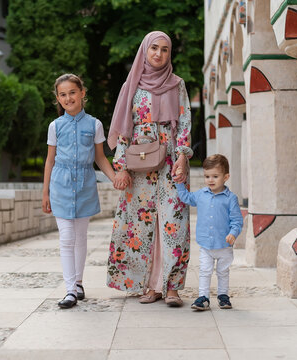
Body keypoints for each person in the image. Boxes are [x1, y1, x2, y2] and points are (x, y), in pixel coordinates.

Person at [106, 31, 193, 307]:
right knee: (140, 224)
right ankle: (150, 285)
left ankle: (172, 287)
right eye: (154, 48)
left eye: (165, 50)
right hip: (138, 163)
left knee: (174, 222)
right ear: (145, 50)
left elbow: (185, 121)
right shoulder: (131, 85)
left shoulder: (177, 84)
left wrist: (182, 157)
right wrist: (120, 167)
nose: (158, 54)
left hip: (170, 162)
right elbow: (123, 129)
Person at [43, 73, 116, 309]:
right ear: (58, 99)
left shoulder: (94, 124)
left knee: (80, 237)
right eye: (63, 95)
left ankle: (79, 281)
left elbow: (100, 157)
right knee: (66, 238)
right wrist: (45, 193)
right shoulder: (55, 126)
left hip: (85, 185)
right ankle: (70, 290)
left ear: (82, 93)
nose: (68, 98)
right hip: (60, 186)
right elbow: (49, 161)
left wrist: (115, 178)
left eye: (72, 92)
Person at [176, 154, 243, 310]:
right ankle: (203, 297)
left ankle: (223, 296)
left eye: (215, 176)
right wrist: (179, 182)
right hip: (206, 244)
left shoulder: (230, 198)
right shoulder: (201, 195)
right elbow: (186, 197)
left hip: (224, 245)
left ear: (226, 177)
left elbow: (237, 220)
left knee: (223, 272)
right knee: (205, 271)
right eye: (207, 176)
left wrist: (233, 233)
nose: (210, 180)